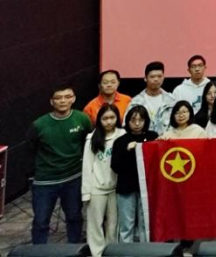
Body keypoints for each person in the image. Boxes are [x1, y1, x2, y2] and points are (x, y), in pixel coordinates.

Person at [26, 85, 91, 244]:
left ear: (73, 99)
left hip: (74, 178)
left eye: (67, 97)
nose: (63, 101)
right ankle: (38, 252)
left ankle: (74, 249)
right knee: (41, 221)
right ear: (51, 101)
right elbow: (30, 150)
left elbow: (88, 143)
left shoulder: (82, 119)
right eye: (58, 97)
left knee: (74, 216)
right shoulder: (39, 125)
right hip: (45, 181)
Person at [111, 105, 157, 244]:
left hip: (147, 189)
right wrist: (127, 150)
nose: (137, 124)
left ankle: (145, 251)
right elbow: (115, 166)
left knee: (145, 225)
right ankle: (126, 252)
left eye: (141, 120)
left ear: (146, 121)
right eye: (133, 120)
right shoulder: (120, 141)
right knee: (127, 225)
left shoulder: (153, 137)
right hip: (126, 189)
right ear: (127, 121)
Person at [82, 104, 124, 257]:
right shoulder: (92, 138)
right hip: (96, 188)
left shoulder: (122, 135)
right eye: (105, 118)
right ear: (99, 120)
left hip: (116, 188)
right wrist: (86, 192)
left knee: (113, 224)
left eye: (112, 117)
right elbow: (87, 166)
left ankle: (111, 251)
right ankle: (96, 253)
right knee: (95, 224)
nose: (109, 121)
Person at [128, 61, 176, 131]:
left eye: (159, 76)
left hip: (167, 137)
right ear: (145, 78)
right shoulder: (135, 102)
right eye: (152, 77)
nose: (156, 79)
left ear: (163, 77)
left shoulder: (171, 100)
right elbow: (127, 125)